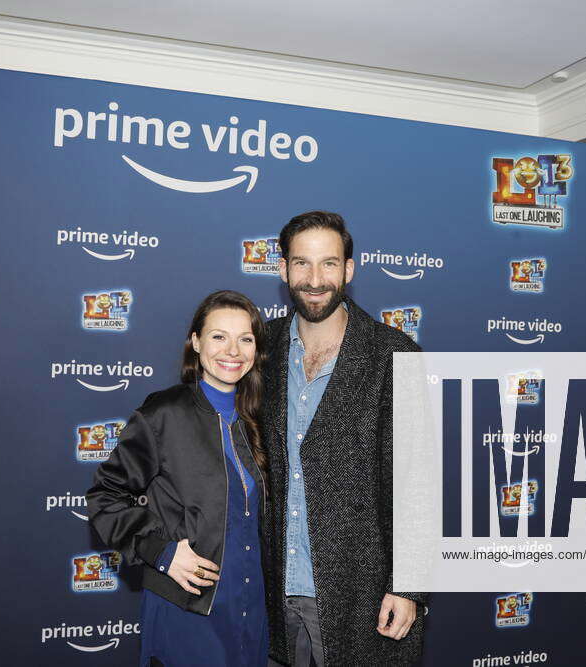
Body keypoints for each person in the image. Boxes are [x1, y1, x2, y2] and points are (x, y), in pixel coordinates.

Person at [260, 211, 427, 666]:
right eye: (302, 263)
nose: (315, 280)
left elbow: (419, 482)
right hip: (272, 592)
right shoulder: (261, 349)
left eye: (329, 264)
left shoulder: (395, 354)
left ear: (349, 270)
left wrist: (409, 587)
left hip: (362, 594)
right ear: (283, 269)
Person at [87, 290, 270, 667]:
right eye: (218, 336)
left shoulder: (258, 418)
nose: (232, 350)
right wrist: (161, 552)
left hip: (250, 610)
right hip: (186, 608)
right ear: (196, 342)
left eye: (245, 339)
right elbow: (105, 497)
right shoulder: (164, 413)